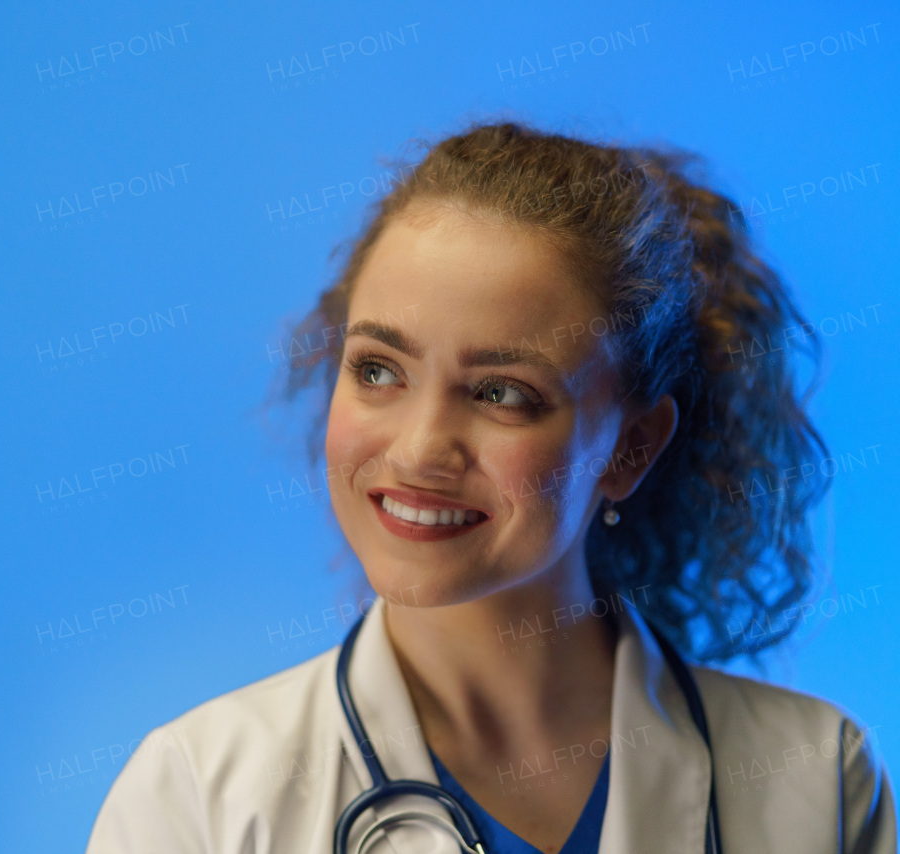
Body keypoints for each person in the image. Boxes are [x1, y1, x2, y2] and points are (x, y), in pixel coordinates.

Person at [84, 121, 896, 853]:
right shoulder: (197, 797)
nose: (418, 448)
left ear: (632, 446)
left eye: (502, 392)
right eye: (378, 370)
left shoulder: (815, 782)